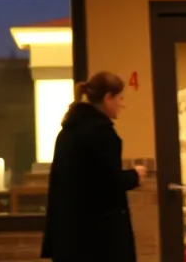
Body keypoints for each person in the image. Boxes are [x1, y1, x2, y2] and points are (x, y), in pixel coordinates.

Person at [42, 72, 145, 262]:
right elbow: (106, 184)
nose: (123, 104)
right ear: (108, 98)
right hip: (100, 239)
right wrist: (134, 176)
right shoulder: (102, 133)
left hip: (69, 236)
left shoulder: (67, 132)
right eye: (120, 98)